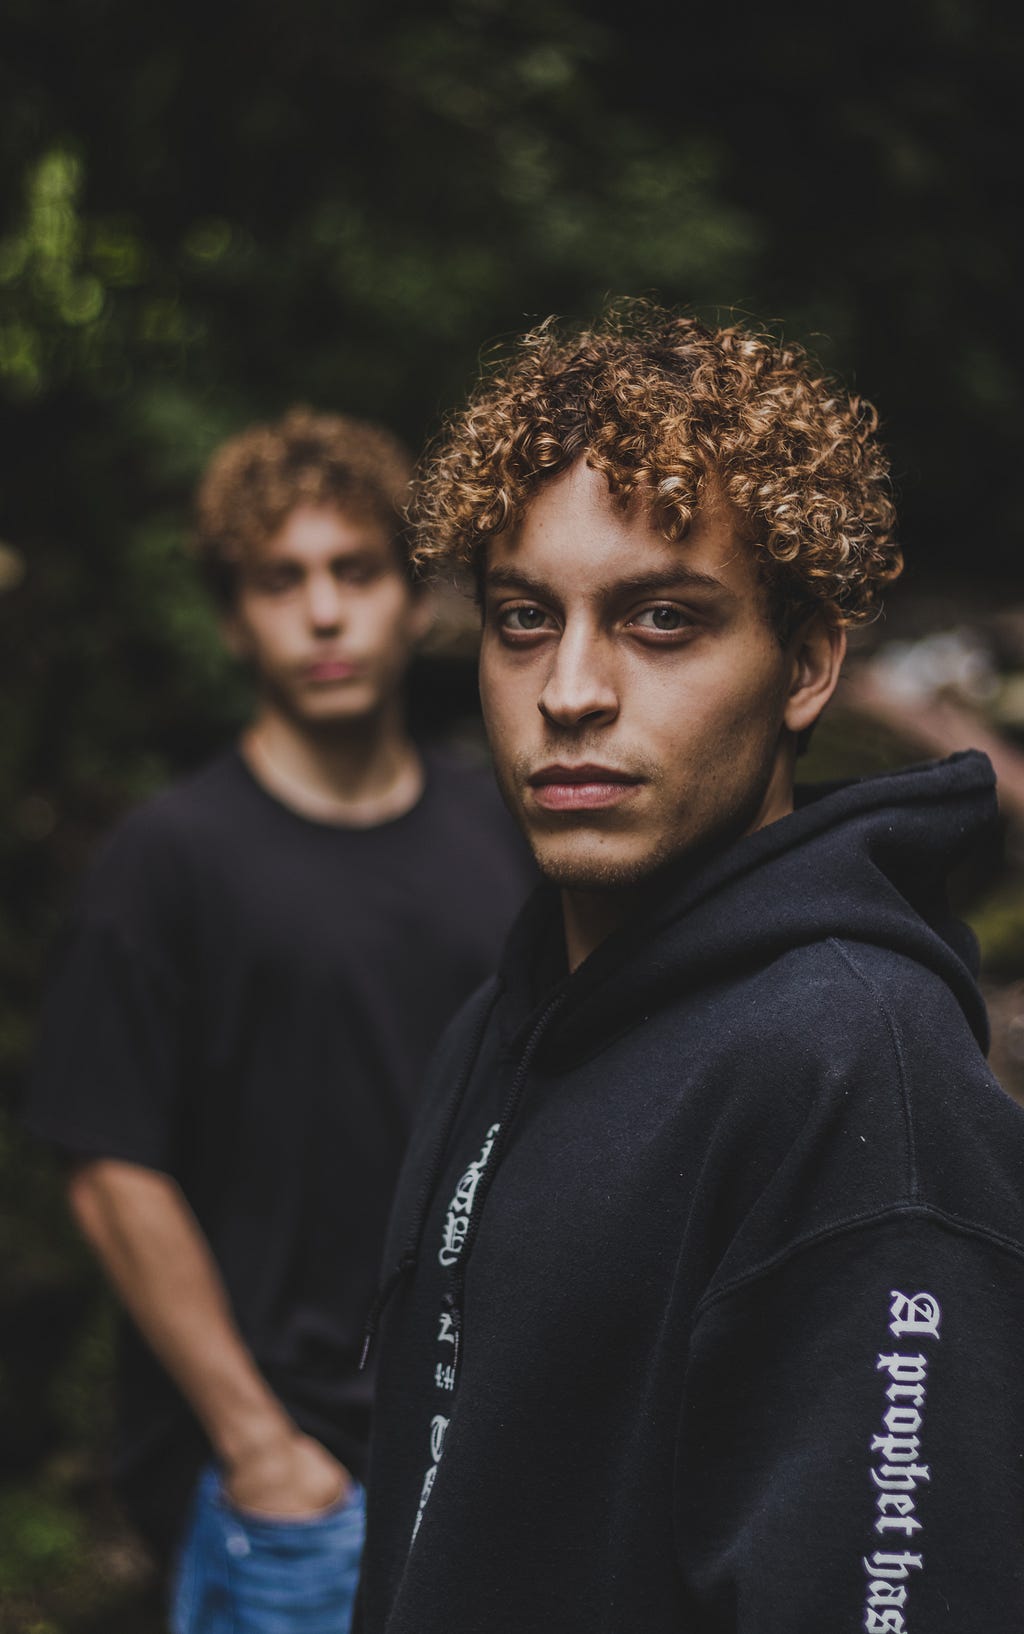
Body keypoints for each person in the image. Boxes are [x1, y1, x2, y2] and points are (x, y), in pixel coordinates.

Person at [355, 305, 1024, 1633]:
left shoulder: (861, 1079)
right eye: (523, 619)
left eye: (663, 619)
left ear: (809, 661)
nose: (573, 688)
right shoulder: (506, 1021)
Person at [25, 408, 534, 1634]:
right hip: (295, 1477)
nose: (322, 612)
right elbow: (108, 1167)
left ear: (416, 603)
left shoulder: (506, 831)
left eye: (355, 573)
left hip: (485, 1449)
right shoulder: (167, 861)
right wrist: (260, 1442)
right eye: (279, 580)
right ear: (230, 619)